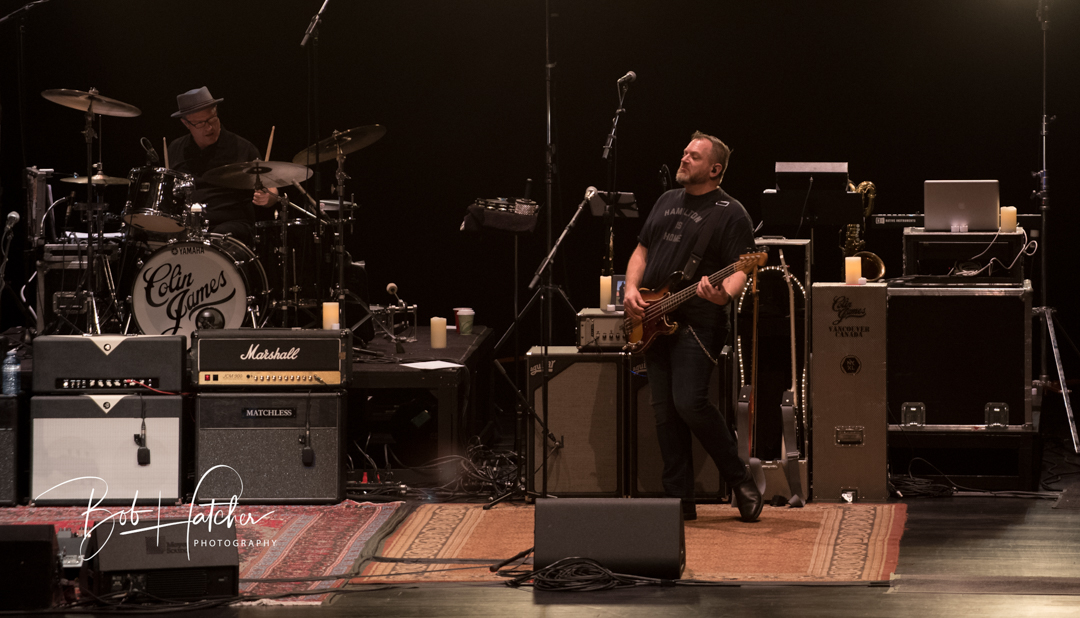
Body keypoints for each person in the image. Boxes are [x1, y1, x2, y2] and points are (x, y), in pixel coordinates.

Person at [623, 131, 764, 522]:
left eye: (694, 156)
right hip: (653, 319)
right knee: (665, 413)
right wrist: (630, 288)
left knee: (690, 403)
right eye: (684, 153)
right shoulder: (667, 200)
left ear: (715, 169)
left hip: (698, 324)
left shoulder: (730, 212)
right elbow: (642, 251)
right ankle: (678, 500)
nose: (684, 159)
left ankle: (741, 480)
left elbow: (741, 267)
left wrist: (723, 296)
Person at [166, 87, 276, 248]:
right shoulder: (176, 149)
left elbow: (271, 190)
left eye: (212, 119)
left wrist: (268, 198)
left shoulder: (242, 148)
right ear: (186, 123)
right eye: (200, 123)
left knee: (218, 240)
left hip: (232, 225)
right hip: (188, 225)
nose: (209, 127)